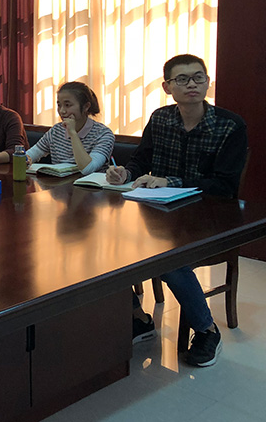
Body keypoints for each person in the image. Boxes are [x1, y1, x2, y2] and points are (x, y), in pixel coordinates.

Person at [106, 54, 247, 367]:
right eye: (182, 79)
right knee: (108, 247)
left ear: (208, 82)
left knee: (170, 261)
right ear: (167, 87)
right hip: (160, 215)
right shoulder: (160, 118)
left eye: (198, 77)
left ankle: (207, 330)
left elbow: (225, 186)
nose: (192, 84)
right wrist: (126, 173)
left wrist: (172, 181)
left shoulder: (229, 125)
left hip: (209, 218)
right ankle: (139, 319)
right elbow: (141, 160)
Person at [26, 82, 115, 174]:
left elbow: (87, 168)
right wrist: (26, 159)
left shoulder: (103, 134)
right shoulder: (56, 131)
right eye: (59, 105)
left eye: (67, 105)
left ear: (86, 107)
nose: (62, 111)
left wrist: (72, 133)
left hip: (89, 183)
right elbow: (30, 154)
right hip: (60, 182)